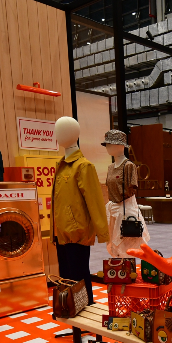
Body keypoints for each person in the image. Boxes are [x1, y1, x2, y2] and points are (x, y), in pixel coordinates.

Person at [51, 117, 108, 303]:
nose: (57, 135)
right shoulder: (61, 166)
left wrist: (103, 233)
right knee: (66, 278)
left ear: (74, 134)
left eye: (61, 130)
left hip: (77, 233)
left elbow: (95, 201)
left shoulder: (83, 166)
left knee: (79, 277)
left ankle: (86, 309)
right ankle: (70, 310)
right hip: (61, 233)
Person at [103, 129, 150, 256]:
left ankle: (128, 266)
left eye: (110, 144)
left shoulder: (129, 166)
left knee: (127, 245)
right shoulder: (110, 167)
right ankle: (118, 266)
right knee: (113, 245)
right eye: (107, 144)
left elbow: (131, 189)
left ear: (120, 146)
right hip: (113, 211)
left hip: (125, 210)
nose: (107, 147)